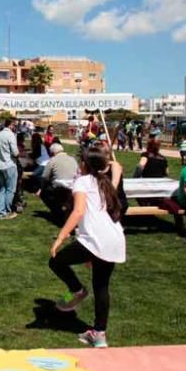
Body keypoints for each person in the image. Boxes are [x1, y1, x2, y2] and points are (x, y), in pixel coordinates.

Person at [48, 144, 126, 349]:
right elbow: (113, 193)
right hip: (114, 239)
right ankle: (99, 334)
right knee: (101, 286)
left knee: (55, 261)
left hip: (94, 239)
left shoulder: (82, 181)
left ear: (84, 164)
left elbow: (78, 211)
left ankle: (77, 290)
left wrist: (60, 237)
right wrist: (116, 173)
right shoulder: (105, 182)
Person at [38, 143, 79, 226]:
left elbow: (44, 177)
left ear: (52, 153)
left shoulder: (52, 160)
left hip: (60, 188)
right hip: (74, 186)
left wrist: (41, 189)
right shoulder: (73, 159)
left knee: (44, 194)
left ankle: (57, 212)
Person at [0, 118, 19, 220]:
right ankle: (7, 211)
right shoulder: (10, 135)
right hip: (9, 165)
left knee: (3, 189)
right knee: (10, 190)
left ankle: (1, 212)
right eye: (15, 125)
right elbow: (15, 152)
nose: (15, 127)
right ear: (11, 125)